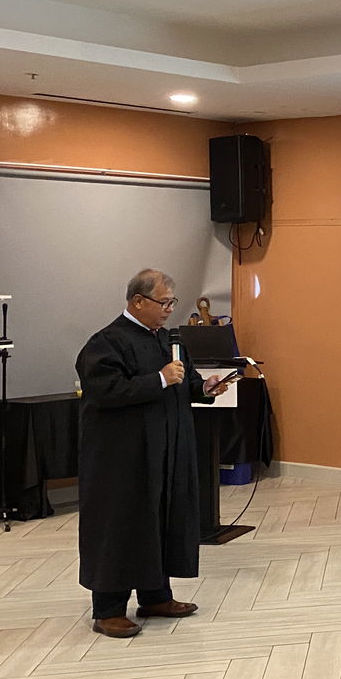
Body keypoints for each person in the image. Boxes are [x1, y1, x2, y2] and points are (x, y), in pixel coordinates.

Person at [76, 269, 233, 637]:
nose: (168, 310)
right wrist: (160, 378)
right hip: (122, 460)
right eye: (163, 303)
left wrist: (205, 387)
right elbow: (106, 391)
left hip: (166, 452)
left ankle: (155, 595)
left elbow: (183, 381)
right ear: (137, 301)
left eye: (171, 303)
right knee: (122, 526)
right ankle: (108, 608)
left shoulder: (165, 339)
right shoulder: (106, 342)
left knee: (161, 519)